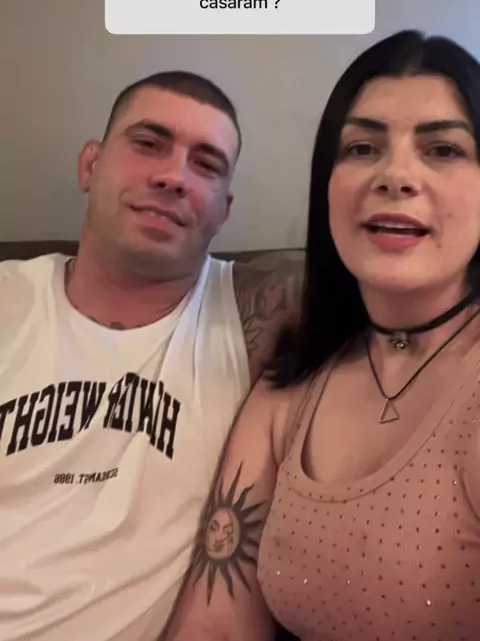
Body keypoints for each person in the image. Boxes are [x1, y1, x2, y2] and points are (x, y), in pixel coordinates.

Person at [163, 30, 480, 641]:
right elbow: (216, 622)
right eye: (361, 148)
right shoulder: (292, 380)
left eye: (443, 149)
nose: (395, 174)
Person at [0, 71, 301, 641]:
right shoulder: (9, 301)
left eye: (205, 164)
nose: (173, 177)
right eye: (148, 144)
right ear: (90, 165)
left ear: (224, 210)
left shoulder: (260, 312)